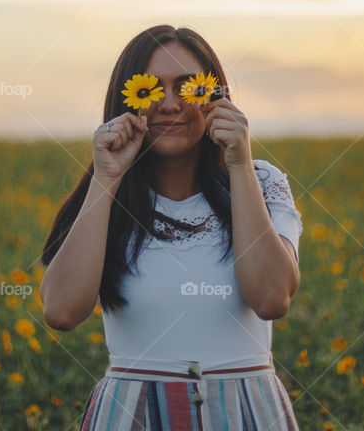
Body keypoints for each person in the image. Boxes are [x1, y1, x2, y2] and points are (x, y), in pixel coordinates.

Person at [40, 24, 304, 430]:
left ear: (216, 97)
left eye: (188, 87)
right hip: (132, 414)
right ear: (127, 101)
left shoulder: (261, 182)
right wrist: (106, 178)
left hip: (245, 413)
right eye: (149, 89)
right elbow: (60, 311)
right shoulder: (108, 193)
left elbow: (271, 299)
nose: (168, 103)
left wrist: (238, 165)